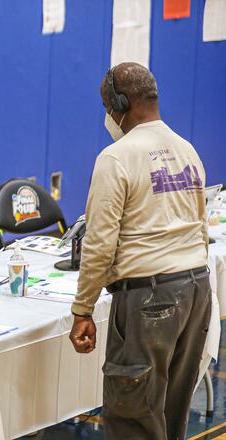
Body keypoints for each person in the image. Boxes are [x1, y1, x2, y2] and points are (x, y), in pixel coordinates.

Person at [69, 63, 211, 440]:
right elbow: (201, 227)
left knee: (134, 418)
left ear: (120, 103)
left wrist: (83, 309)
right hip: (197, 290)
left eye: (107, 105)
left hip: (149, 299)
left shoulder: (116, 157)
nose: (107, 115)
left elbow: (99, 244)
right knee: (170, 412)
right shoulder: (187, 149)